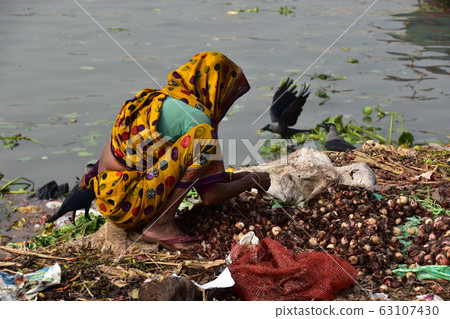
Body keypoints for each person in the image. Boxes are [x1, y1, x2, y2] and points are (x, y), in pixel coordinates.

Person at [81, 51, 270, 250]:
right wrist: (252, 180)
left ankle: (160, 220)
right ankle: (161, 224)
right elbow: (210, 196)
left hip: (107, 196)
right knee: (202, 136)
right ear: (216, 89)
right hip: (129, 207)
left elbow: (195, 174)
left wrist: (240, 177)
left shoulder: (161, 99)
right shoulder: (198, 120)